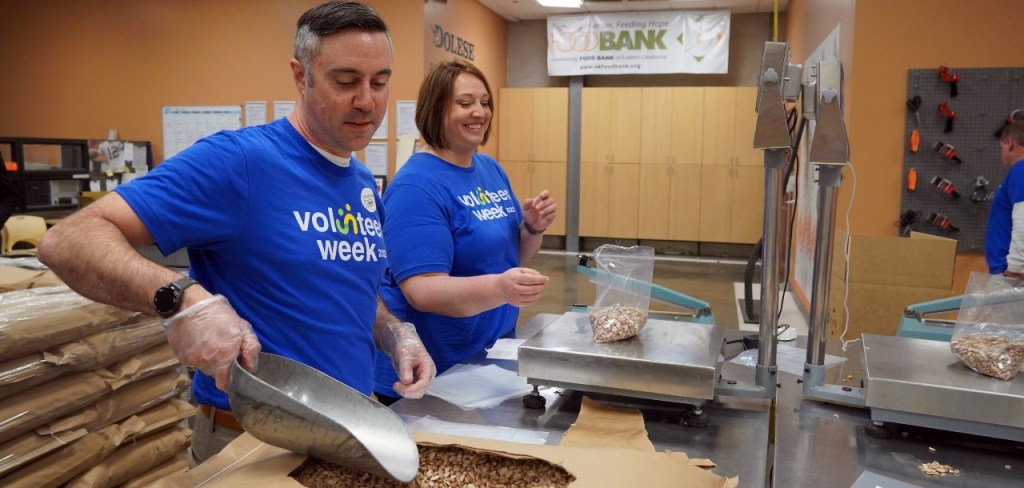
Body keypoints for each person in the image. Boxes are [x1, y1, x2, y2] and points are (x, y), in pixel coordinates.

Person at [37, 1, 435, 466]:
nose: (367, 100)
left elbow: (349, 287)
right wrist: (184, 301)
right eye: (345, 82)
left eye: (380, 82)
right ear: (300, 75)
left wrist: (393, 332)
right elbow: (67, 239)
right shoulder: (240, 162)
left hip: (350, 434)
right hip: (251, 443)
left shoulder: (364, 185)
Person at [372, 60, 556, 404]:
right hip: (434, 370)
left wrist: (532, 226)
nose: (480, 112)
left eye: (485, 102)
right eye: (465, 102)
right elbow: (422, 290)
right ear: (436, 109)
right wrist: (501, 288)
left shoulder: (489, 168)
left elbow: (511, 256)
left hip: (490, 354)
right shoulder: (417, 186)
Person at [986, 121, 1024, 278]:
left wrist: (1014, 269)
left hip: (1011, 275)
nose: (1001, 152)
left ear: (1010, 144)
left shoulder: (1020, 171)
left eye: (1001, 147)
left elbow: (1023, 221)